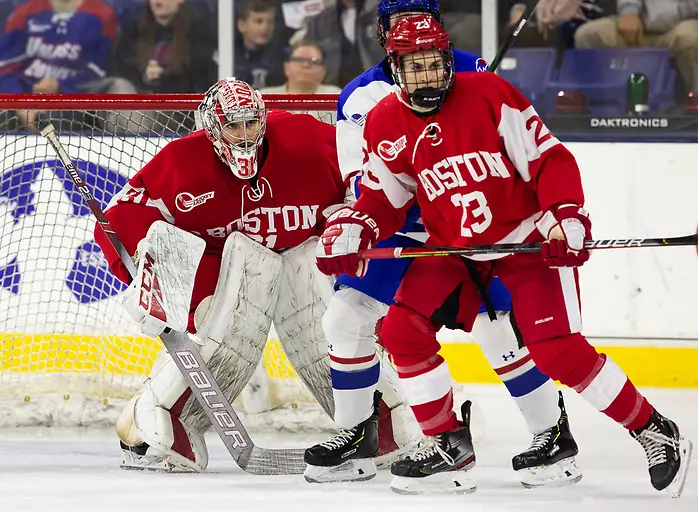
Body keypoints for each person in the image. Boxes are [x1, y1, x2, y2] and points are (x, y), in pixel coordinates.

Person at [315, 15, 693, 495]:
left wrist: (566, 216)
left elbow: (549, 159)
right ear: (395, 68)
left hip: (525, 238)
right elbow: (384, 198)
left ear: (448, 60)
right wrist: (356, 227)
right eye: (415, 67)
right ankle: (446, 441)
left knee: (557, 351)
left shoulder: (492, 94)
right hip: (454, 248)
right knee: (401, 329)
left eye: (435, 64)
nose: (427, 76)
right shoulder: (386, 121)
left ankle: (653, 428)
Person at [303, 0, 581, 489]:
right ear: (382, 32)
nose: (410, 30)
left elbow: (517, 147)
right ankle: (360, 436)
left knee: (498, 332)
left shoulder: (471, 69)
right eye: (397, 19)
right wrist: (353, 225)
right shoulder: (358, 96)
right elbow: (362, 182)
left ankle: (551, 435)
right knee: (346, 317)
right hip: (401, 230)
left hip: (472, 231)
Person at [93, 77, 413, 472]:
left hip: (307, 258)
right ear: (212, 127)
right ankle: (153, 423)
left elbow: (370, 176)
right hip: (224, 264)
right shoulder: (181, 162)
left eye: (252, 123)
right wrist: (145, 265)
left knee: (330, 328)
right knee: (223, 337)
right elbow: (121, 216)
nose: (245, 135)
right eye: (234, 125)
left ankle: (380, 423)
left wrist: (351, 211)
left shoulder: (306, 138)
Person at [0, 0, 134, 129]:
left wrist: (61, 87)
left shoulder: (103, 15)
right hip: (25, 97)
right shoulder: (24, 13)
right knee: (4, 115)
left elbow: (99, 73)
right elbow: (7, 67)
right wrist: (21, 101)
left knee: (57, 118)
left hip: (75, 99)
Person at [574, 0, 698, 99]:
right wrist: (629, 13)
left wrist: (672, 14)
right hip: (638, 24)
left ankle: (694, 107)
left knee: (690, 39)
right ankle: (595, 107)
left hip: (681, 23)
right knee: (588, 36)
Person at [112, 0, 217, 94]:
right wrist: (144, 79)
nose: (157, 2)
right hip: (140, 104)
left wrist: (165, 78)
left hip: (181, 107)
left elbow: (201, 77)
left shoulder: (199, 33)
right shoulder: (133, 33)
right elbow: (121, 71)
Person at [259, 39, 342, 122]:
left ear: (323, 70)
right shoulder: (263, 97)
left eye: (313, 61)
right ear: (286, 67)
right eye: (298, 59)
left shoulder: (336, 96)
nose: (305, 65)